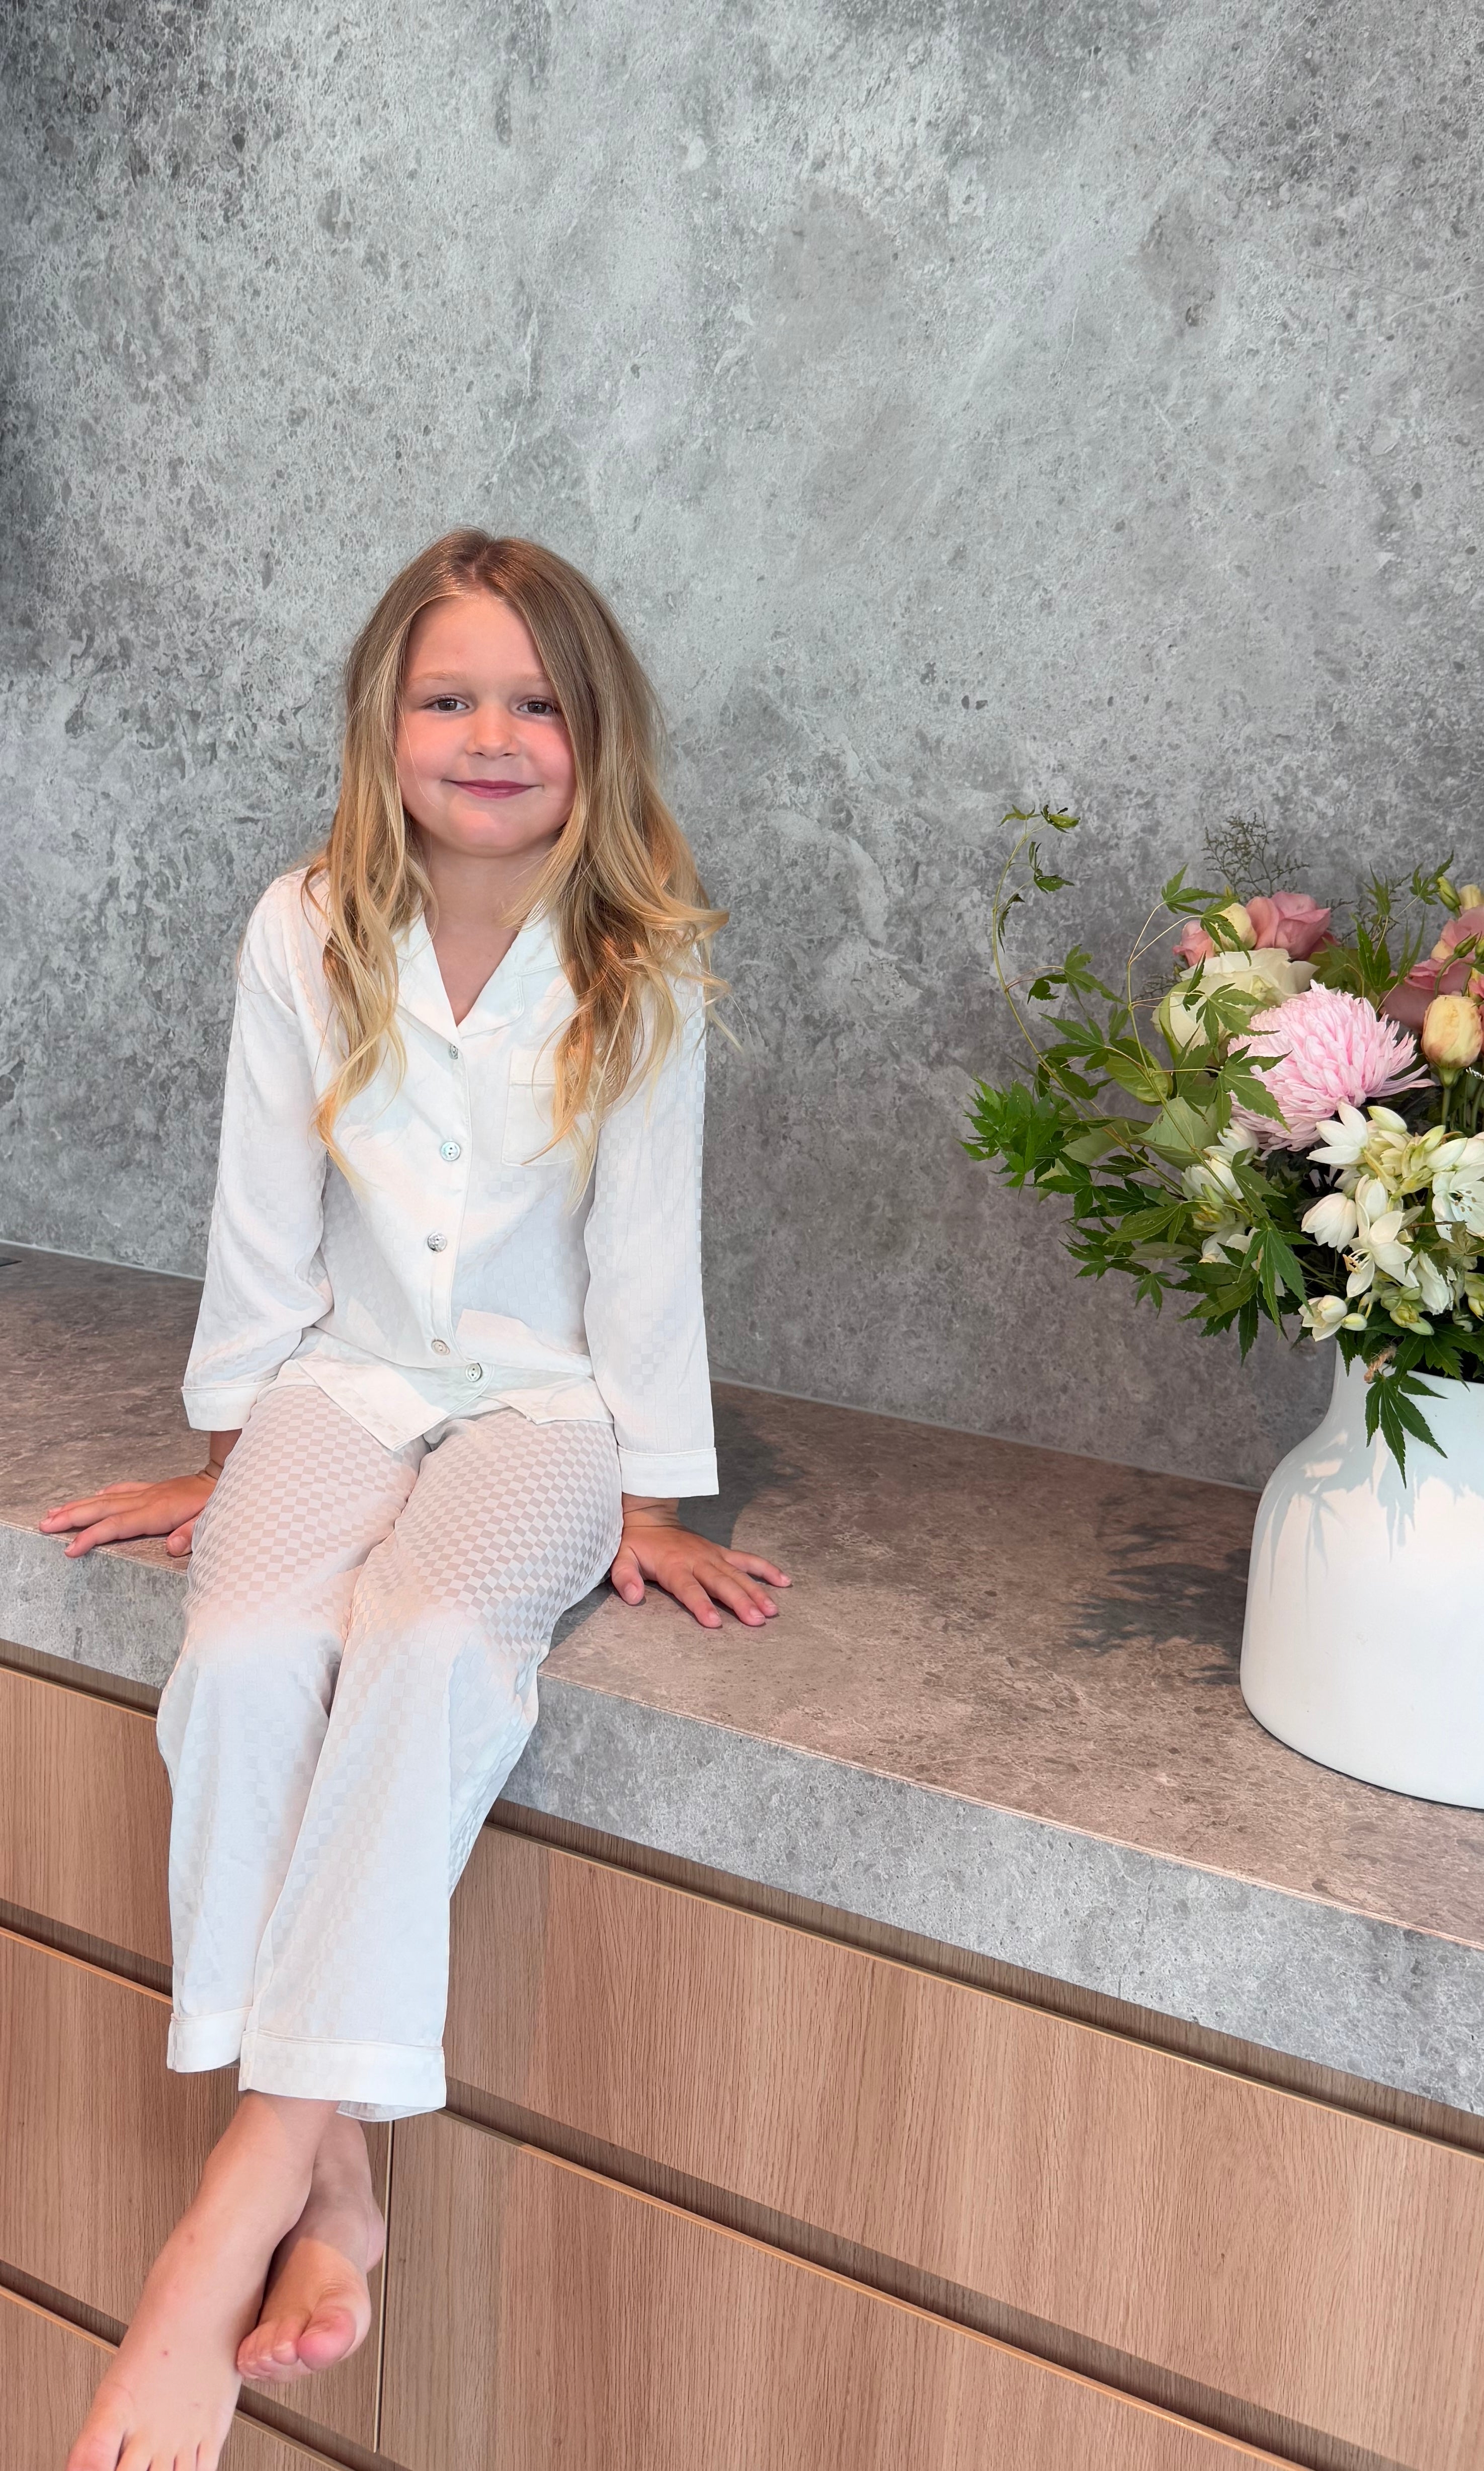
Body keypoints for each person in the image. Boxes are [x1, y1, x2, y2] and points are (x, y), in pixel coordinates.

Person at [43, 529, 789, 2471]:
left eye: (536, 702)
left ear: (596, 734)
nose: (492, 734)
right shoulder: (302, 928)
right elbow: (260, 1213)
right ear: (385, 723)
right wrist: (228, 1453)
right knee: (245, 1651)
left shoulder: (640, 959)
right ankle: (342, 2186)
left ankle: (233, 2209)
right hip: (340, 1383)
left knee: (434, 1639)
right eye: (450, 697)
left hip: (546, 1413)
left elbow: (648, 1253)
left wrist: (654, 1494)